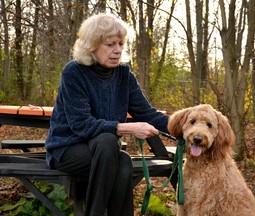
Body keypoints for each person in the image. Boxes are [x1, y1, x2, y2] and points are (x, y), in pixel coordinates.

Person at [45, 13, 169, 216]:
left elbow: (148, 114)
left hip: (105, 152)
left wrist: (185, 125)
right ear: (92, 46)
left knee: (122, 160)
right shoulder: (74, 72)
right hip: (68, 147)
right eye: (110, 44)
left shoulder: (123, 75)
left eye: (121, 44)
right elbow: (82, 125)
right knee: (108, 142)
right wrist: (127, 128)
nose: (117, 50)